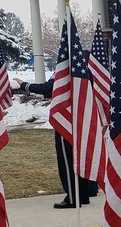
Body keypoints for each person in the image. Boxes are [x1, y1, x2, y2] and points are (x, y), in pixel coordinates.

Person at [15, 79, 98, 208]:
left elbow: (50, 88)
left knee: (67, 159)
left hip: (67, 118)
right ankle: (86, 192)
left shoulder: (68, 64)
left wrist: (24, 85)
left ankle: (73, 197)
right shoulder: (85, 64)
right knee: (82, 155)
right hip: (83, 116)